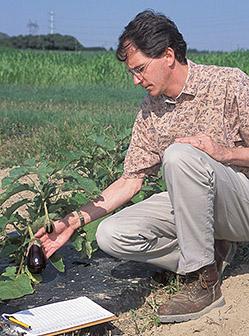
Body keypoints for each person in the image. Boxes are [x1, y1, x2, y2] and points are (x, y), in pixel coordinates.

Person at [35, 10, 249, 323]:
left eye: (140, 69)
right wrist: (72, 220)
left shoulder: (229, 83)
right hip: (203, 206)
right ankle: (210, 253)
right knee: (112, 234)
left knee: (179, 155)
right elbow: (131, 180)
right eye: (132, 73)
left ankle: (204, 282)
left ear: (168, 55)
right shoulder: (151, 110)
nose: (136, 80)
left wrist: (223, 152)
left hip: (242, 203)